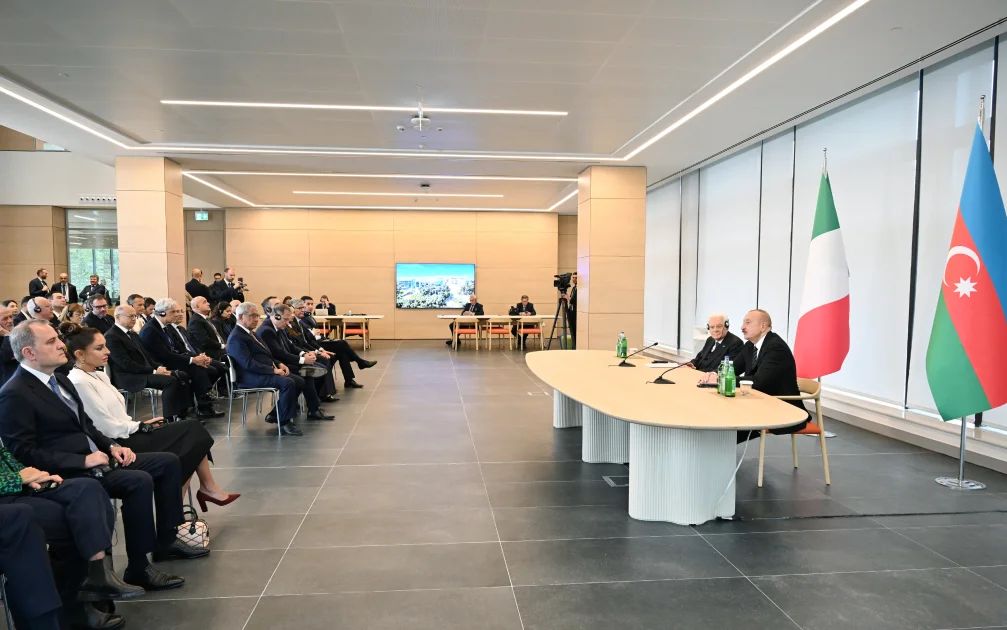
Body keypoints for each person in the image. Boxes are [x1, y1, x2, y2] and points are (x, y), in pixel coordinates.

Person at [0, 321, 201, 593]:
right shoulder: (14, 393)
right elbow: (23, 452)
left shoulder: (59, 379)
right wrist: (82, 461)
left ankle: (166, 540)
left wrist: (110, 446)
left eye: (57, 338)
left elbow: (86, 425)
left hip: (94, 458)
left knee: (166, 462)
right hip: (64, 471)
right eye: (51, 342)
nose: (61, 345)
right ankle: (138, 566)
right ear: (29, 352)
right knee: (138, 480)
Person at [64, 325, 238, 513]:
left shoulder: (98, 374)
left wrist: (139, 424)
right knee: (192, 435)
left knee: (193, 434)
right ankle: (193, 497)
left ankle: (194, 496)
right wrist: (138, 426)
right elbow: (104, 427)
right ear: (80, 354)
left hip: (127, 432)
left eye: (105, 346)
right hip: (117, 445)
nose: (107, 351)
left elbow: (117, 417)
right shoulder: (79, 381)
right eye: (99, 348)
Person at [0, 446, 143, 630]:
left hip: (22, 489)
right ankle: (75, 606)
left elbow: (4, 457)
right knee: (75, 519)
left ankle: (97, 573)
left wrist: (33, 475)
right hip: (8, 497)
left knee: (88, 488)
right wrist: (17, 479)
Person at [698, 309, 810, 442]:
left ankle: (718, 449)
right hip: (758, 401)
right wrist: (713, 374)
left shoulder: (775, 347)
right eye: (743, 322)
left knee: (727, 425)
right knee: (718, 413)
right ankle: (715, 448)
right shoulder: (750, 345)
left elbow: (758, 381)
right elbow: (733, 368)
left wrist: (720, 379)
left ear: (763, 326)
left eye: (748, 323)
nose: (742, 327)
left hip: (782, 408)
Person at [226, 303, 303, 436]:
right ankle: (284, 422)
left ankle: (275, 414)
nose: (256, 319)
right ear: (240, 316)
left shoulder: (251, 333)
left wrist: (278, 364)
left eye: (257, 315)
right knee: (288, 383)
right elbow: (248, 364)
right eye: (252, 316)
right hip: (249, 377)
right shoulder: (236, 337)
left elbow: (266, 354)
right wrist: (273, 371)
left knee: (299, 381)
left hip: (260, 372)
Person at [104, 306, 193, 421]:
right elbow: (126, 364)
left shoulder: (133, 334)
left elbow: (147, 357)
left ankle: (182, 415)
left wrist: (159, 367)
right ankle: (169, 419)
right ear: (117, 317)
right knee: (170, 381)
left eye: (135, 316)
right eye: (131, 316)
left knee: (181, 375)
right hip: (128, 377)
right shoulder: (111, 336)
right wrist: (154, 371)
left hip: (143, 372)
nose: (134, 319)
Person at [139, 299, 223, 420]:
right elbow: (164, 355)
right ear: (162, 313)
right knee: (197, 370)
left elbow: (179, 347)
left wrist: (196, 358)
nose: (177, 314)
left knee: (208, 369)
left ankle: (202, 401)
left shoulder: (166, 327)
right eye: (173, 312)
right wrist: (192, 360)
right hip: (161, 364)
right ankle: (196, 406)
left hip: (172, 359)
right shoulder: (150, 329)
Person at [256, 304, 334, 420]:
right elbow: (280, 353)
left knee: (310, 371)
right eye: (286, 319)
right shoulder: (267, 330)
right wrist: (303, 360)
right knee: (305, 374)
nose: (288, 322)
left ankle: (313, 409)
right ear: (277, 316)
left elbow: (290, 346)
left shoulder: (277, 327)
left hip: (284, 362)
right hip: (276, 365)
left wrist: (304, 354)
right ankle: (311, 409)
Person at [292, 299, 375, 389]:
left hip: (320, 340)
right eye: (307, 304)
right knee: (342, 343)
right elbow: (307, 338)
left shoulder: (309, 316)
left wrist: (323, 337)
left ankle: (349, 380)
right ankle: (360, 362)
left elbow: (330, 316)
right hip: (315, 344)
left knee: (342, 352)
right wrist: (317, 345)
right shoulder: (301, 319)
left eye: (312, 304)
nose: (310, 306)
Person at [0, 305, 17, 388]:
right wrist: (6, 334)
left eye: (11, 317)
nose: (10, 321)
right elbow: (7, 356)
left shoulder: (16, 331)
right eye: (5, 318)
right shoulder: (8, 334)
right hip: (6, 382)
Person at [565, 273, 578, 348]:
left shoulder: (580, 289)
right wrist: (568, 313)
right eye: (573, 277)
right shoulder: (574, 288)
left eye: (576, 278)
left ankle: (576, 346)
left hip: (576, 313)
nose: (574, 279)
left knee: (576, 330)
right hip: (572, 312)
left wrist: (568, 298)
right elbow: (571, 303)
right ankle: (573, 345)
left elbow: (574, 300)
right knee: (572, 330)